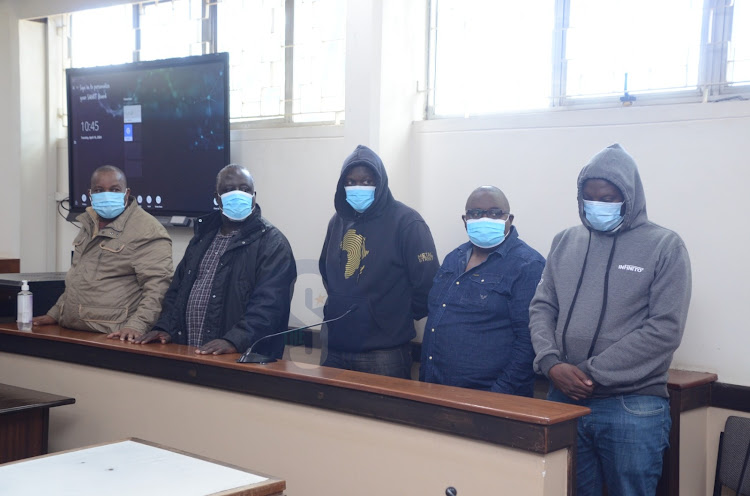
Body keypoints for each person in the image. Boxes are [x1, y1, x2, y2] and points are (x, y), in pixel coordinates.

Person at [530, 144, 691, 496]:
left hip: (631, 405)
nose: (597, 205)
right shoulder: (565, 241)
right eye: (589, 197)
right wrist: (551, 363)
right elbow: (542, 307)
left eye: (608, 197)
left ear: (629, 196)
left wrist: (588, 372)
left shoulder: (664, 246)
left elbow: (664, 329)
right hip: (562, 397)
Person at [136, 164, 296, 357]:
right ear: (217, 198)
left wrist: (234, 340)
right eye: (228, 190)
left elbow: (270, 306)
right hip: (190, 351)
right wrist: (166, 327)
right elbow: (177, 291)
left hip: (242, 359)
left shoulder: (272, 243)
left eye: (244, 189)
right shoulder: (202, 237)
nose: (237, 194)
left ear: (254, 195)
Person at [319, 145, 439, 378]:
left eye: (366, 181)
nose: (358, 188)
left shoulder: (407, 222)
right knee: (328, 413)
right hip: (335, 347)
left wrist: (390, 317)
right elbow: (327, 272)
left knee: (384, 414)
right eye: (351, 182)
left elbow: (428, 286)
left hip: (385, 352)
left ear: (380, 182)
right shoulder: (338, 220)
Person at [420, 186, 544, 397]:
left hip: (490, 396)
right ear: (465, 219)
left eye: (495, 213)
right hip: (435, 387)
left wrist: (499, 394)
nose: (485, 218)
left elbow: (528, 341)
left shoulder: (528, 265)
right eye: (476, 213)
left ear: (509, 219)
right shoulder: (454, 257)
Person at [32, 165, 173, 341]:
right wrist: (55, 313)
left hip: (113, 335)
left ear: (126, 193)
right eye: (99, 190)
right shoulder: (89, 223)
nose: (107, 195)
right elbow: (77, 277)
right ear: (90, 194)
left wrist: (137, 326)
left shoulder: (147, 230)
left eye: (114, 189)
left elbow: (159, 287)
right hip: (73, 330)